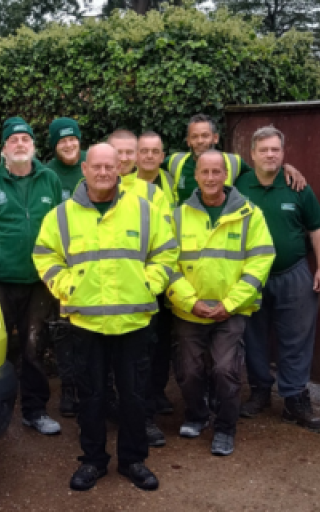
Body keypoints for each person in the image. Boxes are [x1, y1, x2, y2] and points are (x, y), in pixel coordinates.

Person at [34, 143, 178, 491]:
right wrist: (67, 287)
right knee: (91, 397)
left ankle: (133, 460)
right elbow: (45, 255)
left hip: (134, 321)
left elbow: (166, 253)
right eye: (96, 166)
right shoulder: (61, 215)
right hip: (85, 323)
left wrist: (149, 283)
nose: (102, 173)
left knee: (134, 397)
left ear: (119, 170)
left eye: (109, 167)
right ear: (84, 169)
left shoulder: (144, 210)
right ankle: (93, 461)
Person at [168, 150, 275, 456]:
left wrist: (230, 303)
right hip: (190, 311)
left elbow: (260, 261)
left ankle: (225, 428)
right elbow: (166, 263)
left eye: (217, 172)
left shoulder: (250, 214)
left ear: (226, 175)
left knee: (226, 369)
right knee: (189, 370)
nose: (211, 178)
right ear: (197, 176)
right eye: (205, 172)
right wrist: (189, 302)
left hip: (231, 310)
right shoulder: (178, 216)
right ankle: (197, 415)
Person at [0, 116, 64, 435]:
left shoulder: (50, 180)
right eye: (13, 140)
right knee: (0, 346)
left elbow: (62, 226)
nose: (20, 144)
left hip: (39, 281)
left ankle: (35, 411)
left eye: (25, 139)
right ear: (4, 148)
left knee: (34, 347)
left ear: (33, 146)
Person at [236, 126, 320, 433]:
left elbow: (317, 227)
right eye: (263, 150)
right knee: (253, 336)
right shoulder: (238, 186)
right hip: (250, 275)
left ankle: (294, 400)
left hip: (293, 273)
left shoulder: (297, 185)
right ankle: (260, 391)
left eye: (275, 150)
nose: (270, 155)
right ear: (251, 154)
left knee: (297, 338)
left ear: (283, 153)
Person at [107, 129, 172, 447]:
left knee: (140, 362)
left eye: (128, 152)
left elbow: (165, 245)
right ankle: (106, 413)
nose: (123, 158)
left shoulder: (152, 193)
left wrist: (151, 284)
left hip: (139, 296)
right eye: (116, 152)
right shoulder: (88, 187)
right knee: (99, 363)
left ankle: (143, 418)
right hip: (99, 296)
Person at [164, 114, 305, 205]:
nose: (200, 141)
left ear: (215, 138)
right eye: (194, 137)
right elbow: (148, 167)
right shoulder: (175, 162)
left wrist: (285, 167)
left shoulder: (233, 162)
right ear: (188, 141)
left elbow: (261, 173)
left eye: (205, 135)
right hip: (186, 235)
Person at [45, 117, 87, 418]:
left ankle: (96, 388)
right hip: (62, 266)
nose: (69, 144)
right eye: (62, 141)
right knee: (64, 332)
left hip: (95, 264)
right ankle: (70, 389)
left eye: (73, 139)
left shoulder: (92, 165)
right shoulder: (47, 174)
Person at [135, 131, 177, 421]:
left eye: (155, 151)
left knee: (163, 337)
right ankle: (141, 398)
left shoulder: (172, 184)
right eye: (144, 151)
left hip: (167, 271)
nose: (149, 156)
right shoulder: (124, 185)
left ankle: (157, 391)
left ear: (163, 157)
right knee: (141, 342)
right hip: (137, 276)